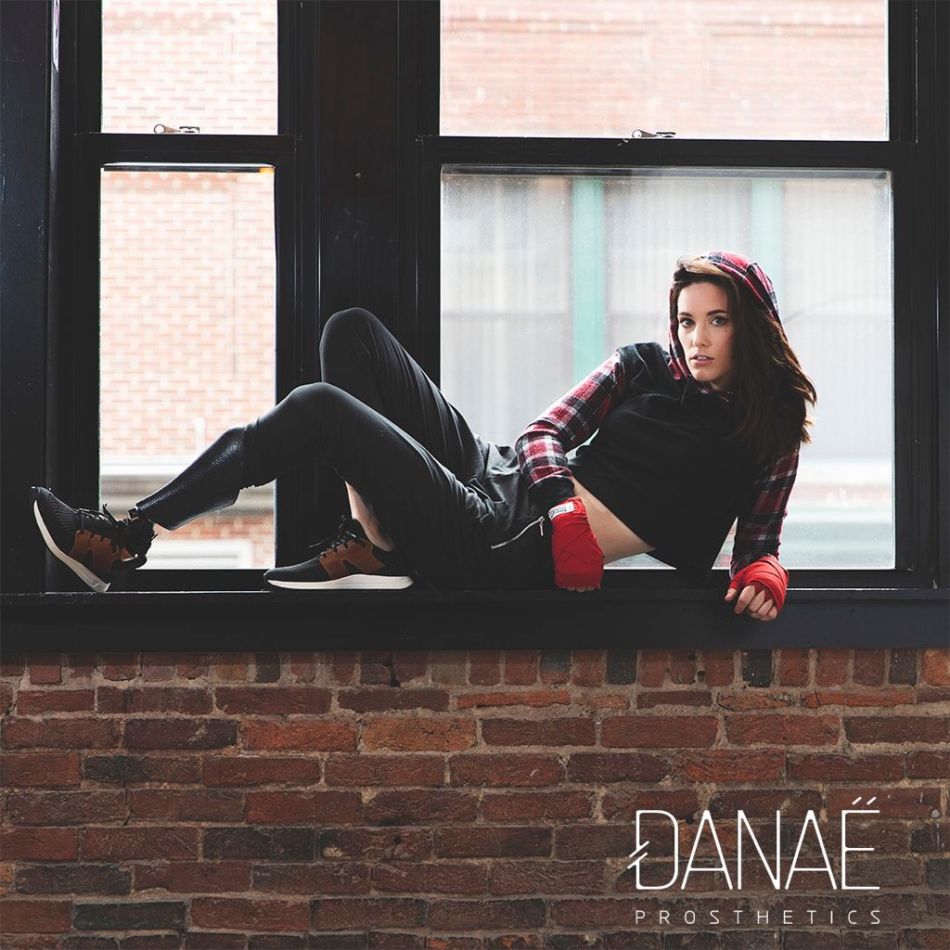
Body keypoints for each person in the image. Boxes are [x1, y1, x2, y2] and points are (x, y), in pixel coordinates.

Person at [31, 250, 815, 620]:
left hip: (500, 542)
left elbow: (759, 541)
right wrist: (564, 507)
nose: (696, 338)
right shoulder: (644, 366)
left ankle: (128, 536)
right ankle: (376, 545)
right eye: (686, 320)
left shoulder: (770, 429)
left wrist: (764, 577)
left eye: (716, 321)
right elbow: (544, 434)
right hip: (501, 479)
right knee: (353, 334)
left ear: (750, 326)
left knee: (319, 407)